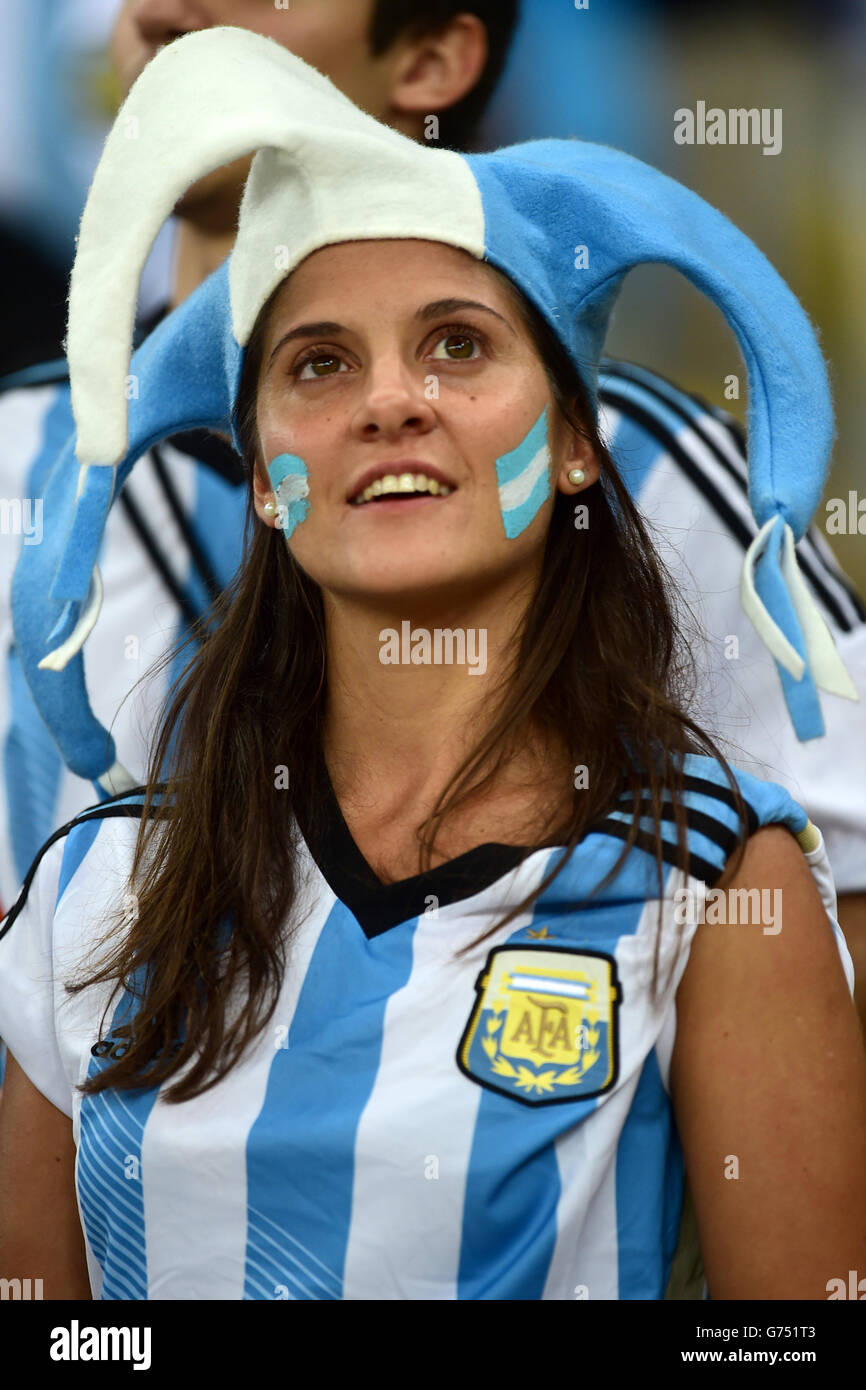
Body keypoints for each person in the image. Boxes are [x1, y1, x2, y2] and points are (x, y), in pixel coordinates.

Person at [1, 28, 864, 1301]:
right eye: (318, 363)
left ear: (579, 441)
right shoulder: (91, 884)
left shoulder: (719, 878)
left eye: (457, 345)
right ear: (264, 482)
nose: (388, 402)